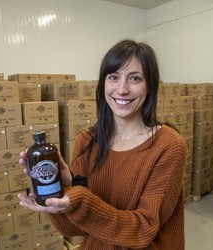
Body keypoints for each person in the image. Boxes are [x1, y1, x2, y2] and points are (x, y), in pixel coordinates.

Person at [18, 39, 187, 249]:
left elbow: (143, 230)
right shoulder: (87, 141)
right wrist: (65, 189)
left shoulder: (169, 146)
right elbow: (77, 229)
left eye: (135, 78)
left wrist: (78, 199)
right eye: (114, 77)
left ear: (150, 86)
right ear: (103, 84)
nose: (122, 89)